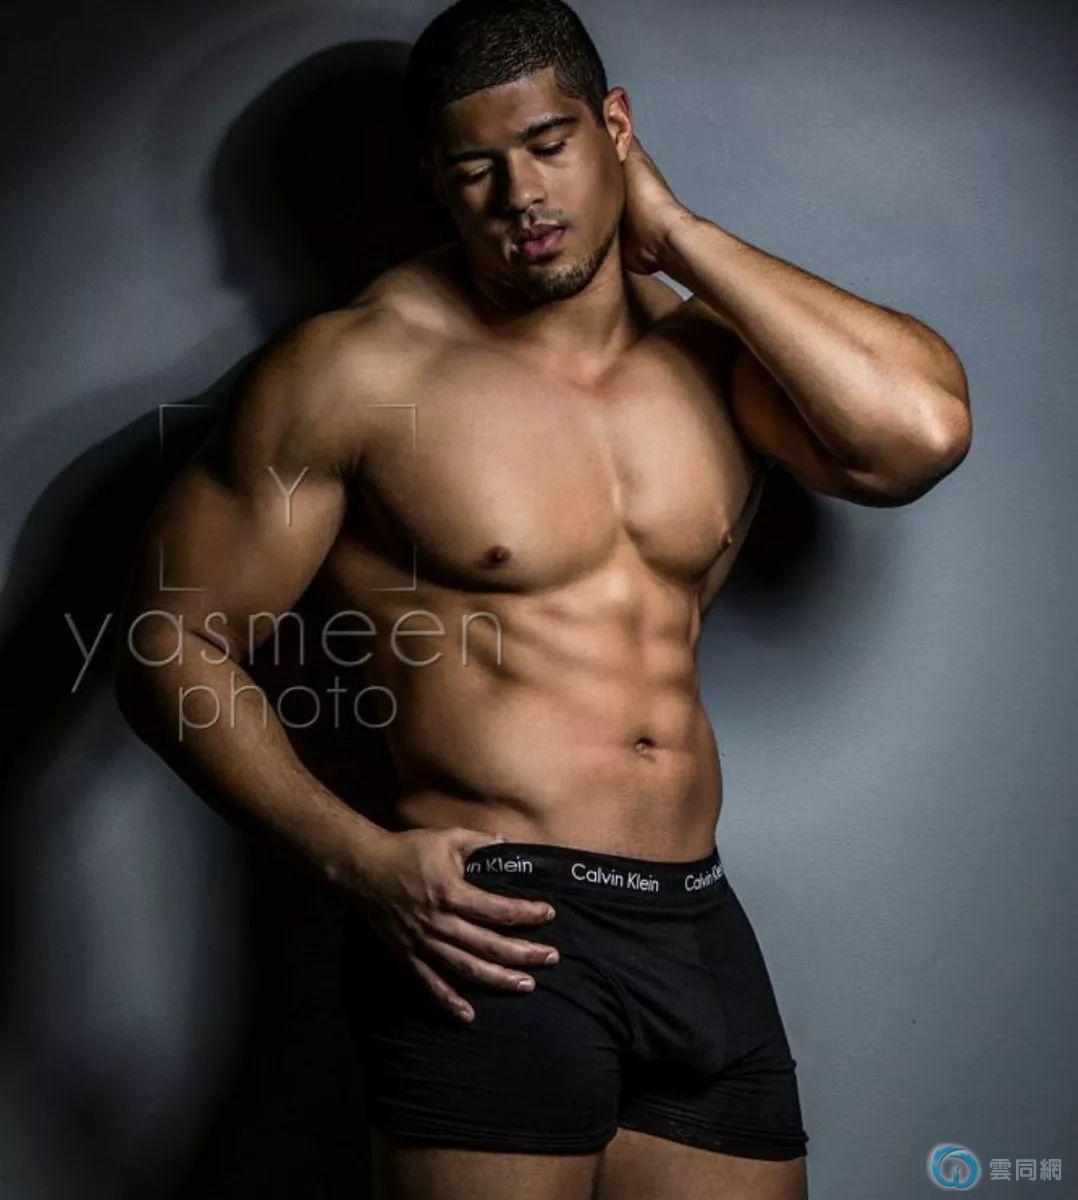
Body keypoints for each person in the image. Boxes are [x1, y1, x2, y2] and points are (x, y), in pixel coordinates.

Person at [115, 1, 971, 1196]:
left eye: (549, 144)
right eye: (475, 167)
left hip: (694, 921)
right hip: (491, 931)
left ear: (615, 127)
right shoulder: (357, 370)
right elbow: (169, 643)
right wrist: (356, 860)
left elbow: (918, 436)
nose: (519, 195)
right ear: (435, 179)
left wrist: (678, 234)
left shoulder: (715, 354)